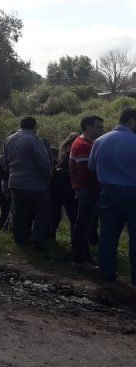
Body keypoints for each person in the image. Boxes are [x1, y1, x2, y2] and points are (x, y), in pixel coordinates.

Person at [88, 108, 136, 286]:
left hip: (108, 192)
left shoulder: (100, 140)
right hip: (133, 193)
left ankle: (107, 274)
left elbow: (92, 166)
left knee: (108, 236)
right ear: (131, 121)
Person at [2, 116, 52, 250]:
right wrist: (48, 174)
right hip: (35, 182)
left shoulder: (9, 139)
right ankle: (38, 241)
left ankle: (20, 239)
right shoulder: (35, 140)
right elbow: (43, 161)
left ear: (20, 125)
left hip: (15, 182)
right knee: (41, 212)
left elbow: (4, 161)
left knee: (19, 213)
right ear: (35, 127)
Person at [69, 115, 104, 271]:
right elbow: (86, 172)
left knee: (85, 224)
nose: (102, 130)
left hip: (85, 189)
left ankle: (84, 257)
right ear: (88, 127)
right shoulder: (83, 145)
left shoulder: (86, 143)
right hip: (87, 189)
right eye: (99, 127)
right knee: (83, 224)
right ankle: (80, 259)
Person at [48, 133, 79, 239]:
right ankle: (75, 240)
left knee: (57, 214)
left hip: (60, 187)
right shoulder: (70, 153)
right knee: (71, 216)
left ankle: (50, 236)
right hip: (67, 188)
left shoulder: (63, 153)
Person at [0, 153, 12, 231]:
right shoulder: (3, 167)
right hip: (2, 191)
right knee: (6, 210)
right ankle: (4, 229)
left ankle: (3, 229)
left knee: (5, 211)